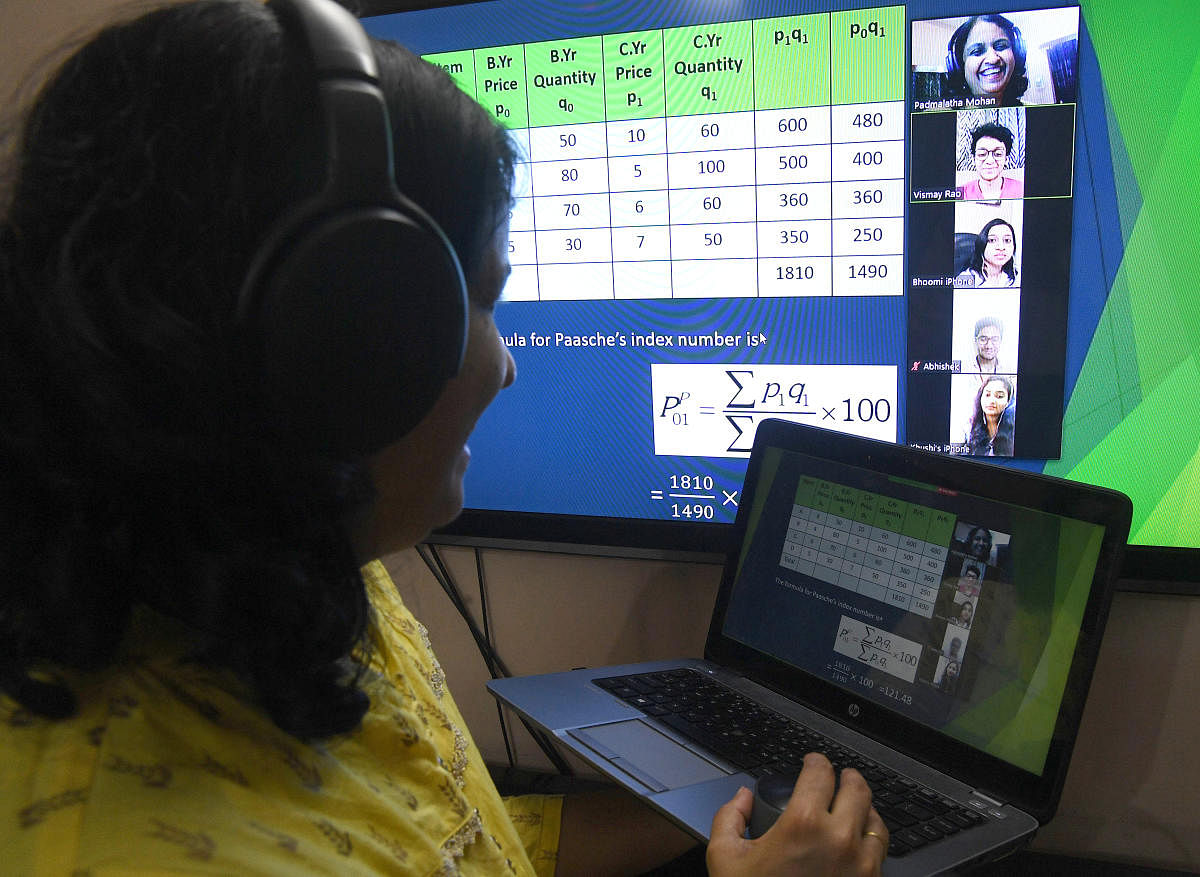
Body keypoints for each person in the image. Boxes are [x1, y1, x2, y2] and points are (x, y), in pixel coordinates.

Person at [0, 1, 889, 874]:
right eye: (483, 301)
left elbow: (458, 841)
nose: (506, 367)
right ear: (338, 342)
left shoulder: (276, 562)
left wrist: (729, 810)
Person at [944, 14, 1029, 106]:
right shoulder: (941, 118)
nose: (993, 59)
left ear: (1016, 55)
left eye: (1001, 46)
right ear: (959, 66)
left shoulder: (1033, 112)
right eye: (977, 51)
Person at [957, 123, 1023, 201]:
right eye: (982, 154)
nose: (990, 161)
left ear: (1006, 160)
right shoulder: (961, 194)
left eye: (998, 154)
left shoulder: (1022, 190)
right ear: (973, 159)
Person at [954, 218, 1019, 288]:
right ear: (982, 245)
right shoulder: (966, 279)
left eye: (1007, 240)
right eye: (992, 240)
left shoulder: (1017, 277)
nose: (1001, 247)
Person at [963, 376, 1016, 456]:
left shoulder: (1014, 433)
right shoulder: (968, 430)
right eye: (987, 395)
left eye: (999, 396)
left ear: (1008, 402)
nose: (992, 401)